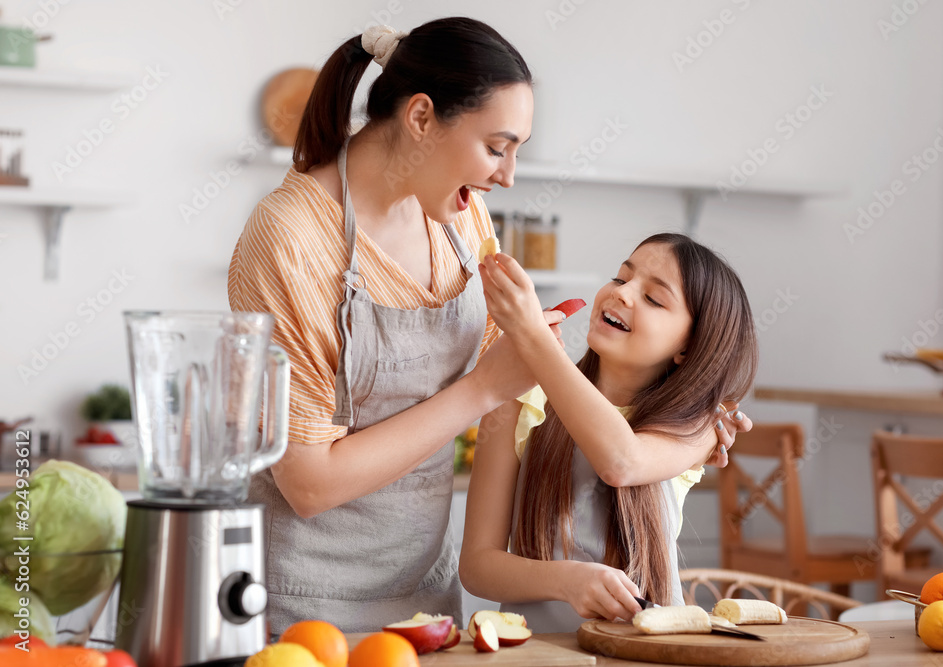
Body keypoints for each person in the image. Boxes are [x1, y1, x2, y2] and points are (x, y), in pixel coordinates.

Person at [227, 18, 557, 635]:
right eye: (496, 146)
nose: (507, 175)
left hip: (427, 605)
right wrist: (487, 386)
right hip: (301, 613)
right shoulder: (291, 239)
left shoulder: (461, 214)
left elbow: (505, 390)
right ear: (422, 117)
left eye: (517, 150)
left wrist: (673, 417)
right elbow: (307, 482)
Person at [460, 233, 758, 632]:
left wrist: (533, 340)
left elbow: (622, 462)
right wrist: (566, 581)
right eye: (621, 278)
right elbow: (478, 565)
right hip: (539, 654)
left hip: (649, 655)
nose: (623, 294)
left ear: (687, 348)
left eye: (653, 298)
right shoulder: (518, 398)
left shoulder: (698, 425)